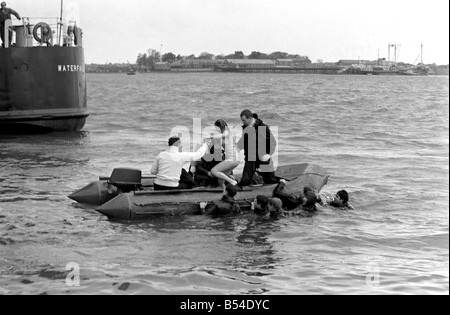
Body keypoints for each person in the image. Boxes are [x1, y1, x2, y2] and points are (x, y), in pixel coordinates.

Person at [237, 110, 278, 187]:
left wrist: (269, 154)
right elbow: (244, 140)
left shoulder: (262, 127)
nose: (243, 122)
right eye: (242, 121)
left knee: (270, 180)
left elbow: (272, 142)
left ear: (250, 118)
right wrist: (237, 147)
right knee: (245, 180)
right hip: (250, 157)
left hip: (263, 156)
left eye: (244, 120)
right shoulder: (245, 127)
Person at [209, 119, 240, 187]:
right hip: (234, 159)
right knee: (220, 180)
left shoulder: (227, 132)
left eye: (216, 128)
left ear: (220, 126)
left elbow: (223, 135)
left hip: (233, 159)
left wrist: (211, 137)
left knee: (214, 171)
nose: (216, 129)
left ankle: (232, 182)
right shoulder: (224, 135)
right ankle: (225, 192)